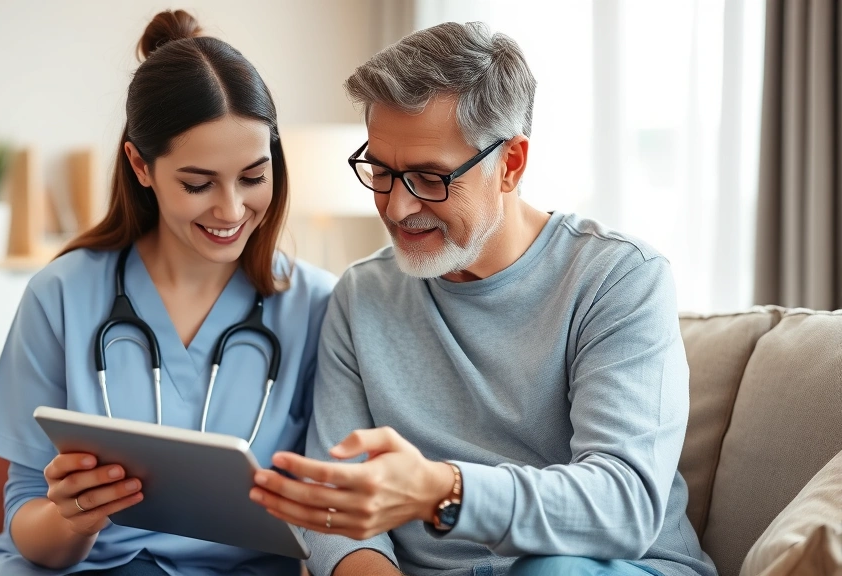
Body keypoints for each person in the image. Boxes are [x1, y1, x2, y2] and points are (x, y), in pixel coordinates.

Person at [249, 21, 718, 576]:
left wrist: (441, 490)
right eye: (380, 171)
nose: (397, 209)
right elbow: (335, 504)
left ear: (511, 163)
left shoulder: (619, 279)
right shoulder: (362, 294)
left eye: (429, 177)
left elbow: (623, 505)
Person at [0, 9, 335, 576]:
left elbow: (336, 511)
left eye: (254, 177)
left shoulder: (317, 306)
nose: (232, 210)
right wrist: (74, 517)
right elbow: (29, 526)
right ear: (140, 164)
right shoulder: (61, 295)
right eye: (197, 183)